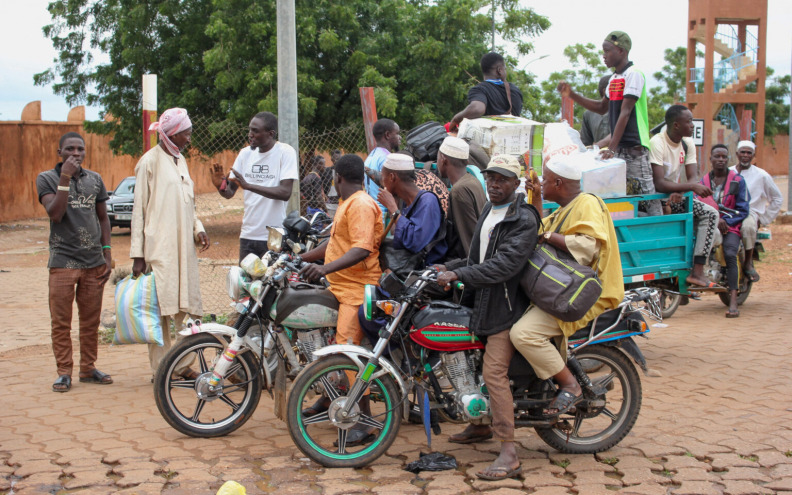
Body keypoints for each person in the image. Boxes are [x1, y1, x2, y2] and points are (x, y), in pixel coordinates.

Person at [436, 155, 538, 481]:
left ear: (516, 183)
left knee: (493, 374)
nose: (494, 184)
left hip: (507, 309)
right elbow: (477, 256)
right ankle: (480, 426)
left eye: (502, 179)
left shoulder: (523, 218)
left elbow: (505, 266)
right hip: (482, 304)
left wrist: (460, 274)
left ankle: (509, 452)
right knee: (475, 364)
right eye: (491, 178)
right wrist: (449, 267)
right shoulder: (489, 210)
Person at [513, 153, 624, 421]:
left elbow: (585, 248)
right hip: (562, 287)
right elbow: (539, 229)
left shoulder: (586, 203)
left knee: (523, 334)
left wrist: (547, 236)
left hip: (583, 293)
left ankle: (570, 384)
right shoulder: (566, 208)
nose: (543, 183)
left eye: (546, 181)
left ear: (559, 183)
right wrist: (537, 197)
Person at [299, 154, 384, 446]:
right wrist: (300, 259)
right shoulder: (349, 203)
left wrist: (322, 269)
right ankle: (329, 395)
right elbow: (335, 243)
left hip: (357, 289)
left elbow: (360, 249)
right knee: (323, 337)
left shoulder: (360, 204)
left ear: (337, 178)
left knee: (348, 352)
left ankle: (363, 421)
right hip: (340, 285)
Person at [131, 108, 211, 377]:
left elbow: (189, 204)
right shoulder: (148, 163)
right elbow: (139, 211)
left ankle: (183, 366)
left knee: (184, 309)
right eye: (186, 133)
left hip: (183, 250)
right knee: (161, 311)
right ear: (173, 134)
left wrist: (198, 229)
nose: (189, 138)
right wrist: (138, 255)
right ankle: (162, 369)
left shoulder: (181, 161)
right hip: (160, 250)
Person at [37, 132, 114, 392]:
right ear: (59, 153)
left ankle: (88, 368)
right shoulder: (46, 179)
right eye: (69, 149)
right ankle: (63, 372)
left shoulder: (95, 180)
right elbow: (55, 214)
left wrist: (107, 252)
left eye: (80, 149)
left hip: (93, 261)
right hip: (62, 262)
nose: (75, 153)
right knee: (61, 321)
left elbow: (103, 219)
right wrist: (65, 178)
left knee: (90, 321)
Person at [557, 31, 661, 216]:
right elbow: (601, 107)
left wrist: (611, 148)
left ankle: (660, 234)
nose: (604, 56)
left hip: (634, 148)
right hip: (619, 150)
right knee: (619, 199)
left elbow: (626, 112)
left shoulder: (634, 75)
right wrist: (571, 95)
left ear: (621, 51)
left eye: (607, 51)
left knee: (648, 198)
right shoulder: (614, 79)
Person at [210, 112, 298, 262]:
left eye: (255, 131)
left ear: (270, 134)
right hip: (248, 235)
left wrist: (249, 186)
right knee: (245, 284)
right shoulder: (245, 154)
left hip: (274, 236)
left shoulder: (285, 152)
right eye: (250, 130)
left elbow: (285, 192)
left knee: (271, 283)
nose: (250, 134)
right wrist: (221, 186)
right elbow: (230, 192)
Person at [649, 105, 719, 288]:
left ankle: (694, 271)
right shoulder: (657, 142)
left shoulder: (688, 144)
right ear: (676, 125)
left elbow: (693, 178)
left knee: (708, 214)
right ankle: (696, 272)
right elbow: (658, 183)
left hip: (676, 195)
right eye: (689, 122)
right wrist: (687, 188)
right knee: (711, 215)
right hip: (655, 199)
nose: (692, 125)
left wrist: (681, 192)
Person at [700, 145, 750, 317]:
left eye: (724, 157)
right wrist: (715, 219)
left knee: (730, 253)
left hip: (730, 226)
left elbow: (743, 210)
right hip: (709, 224)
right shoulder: (703, 181)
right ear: (711, 159)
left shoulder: (737, 180)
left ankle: (734, 299)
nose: (721, 159)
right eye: (717, 156)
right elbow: (699, 201)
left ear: (728, 159)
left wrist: (726, 221)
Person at [378, 154, 448, 266]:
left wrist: (393, 208)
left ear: (392, 177)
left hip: (427, 270)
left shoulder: (428, 201)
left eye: (383, 177)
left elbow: (415, 242)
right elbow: (397, 236)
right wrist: (393, 207)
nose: (382, 182)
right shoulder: (404, 201)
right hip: (407, 265)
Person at [730, 140, 783, 282]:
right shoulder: (728, 172)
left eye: (749, 153)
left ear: (753, 156)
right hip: (728, 211)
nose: (746, 156)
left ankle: (748, 262)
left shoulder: (762, 175)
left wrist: (763, 219)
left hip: (749, 212)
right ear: (737, 154)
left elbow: (777, 198)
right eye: (743, 152)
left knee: (747, 228)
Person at [436, 136, 487, 259]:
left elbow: (468, 238)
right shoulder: (473, 181)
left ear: (443, 160)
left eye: (437, 158)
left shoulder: (459, 191)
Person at [449, 52, 524, 131]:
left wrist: (456, 119)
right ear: (499, 70)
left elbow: (477, 109)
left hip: (490, 142)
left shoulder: (479, 89)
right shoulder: (515, 90)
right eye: (504, 69)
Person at [364, 119, 402, 215]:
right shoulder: (387, 158)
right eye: (397, 133)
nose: (400, 137)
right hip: (385, 215)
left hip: (372, 211)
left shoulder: (371, 156)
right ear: (388, 135)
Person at [579, 75, 612, 148]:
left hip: (621, 155)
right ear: (605, 91)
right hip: (599, 156)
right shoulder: (588, 114)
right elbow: (585, 143)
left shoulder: (624, 110)